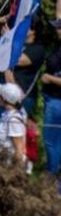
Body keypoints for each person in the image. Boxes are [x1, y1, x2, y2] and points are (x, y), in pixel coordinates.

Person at [42, 11, 61, 175]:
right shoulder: (58, 46)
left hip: (57, 101)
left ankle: (52, 174)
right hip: (52, 98)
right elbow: (59, 13)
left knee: (50, 140)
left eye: (59, 28)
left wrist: (49, 78)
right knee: (57, 140)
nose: (56, 31)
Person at [0, 82, 27, 166]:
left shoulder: (14, 120)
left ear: (4, 99)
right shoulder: (7, 115)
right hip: (1, 162)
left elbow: (19, 149)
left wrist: (15, 173)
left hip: (8, 167)